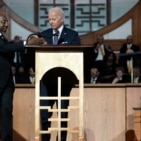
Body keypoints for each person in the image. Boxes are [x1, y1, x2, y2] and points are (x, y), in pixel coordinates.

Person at [0, 12, 44, 141]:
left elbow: (8, 50)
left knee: (6, 114)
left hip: (7, 82)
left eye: (7, 22)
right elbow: (3, 48)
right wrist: (26, 42)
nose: (6, 25)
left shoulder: (3, 38)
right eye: (3, 22)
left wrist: (24, 45)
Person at [39, 7, 81, 141]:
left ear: (62, 19)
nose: (51, 22)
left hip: (64, 79)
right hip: (46, 79)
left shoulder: (72, 35)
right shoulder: (44, 34)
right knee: (44, 114)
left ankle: (61, 139)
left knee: (62, 113)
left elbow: (76, 55)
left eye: (54, 19)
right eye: (49, 19)